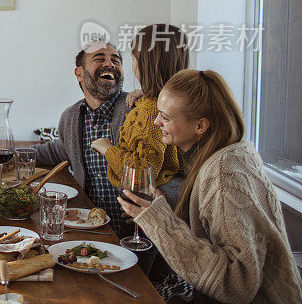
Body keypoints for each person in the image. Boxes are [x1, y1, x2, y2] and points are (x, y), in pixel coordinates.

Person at [118, 69, 302, 303]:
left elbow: (236, 284)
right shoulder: (230, 153)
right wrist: (161, 210)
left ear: (200, 126)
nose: (156, 122)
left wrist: (158, 222)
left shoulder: (223, 174)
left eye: (165, 117)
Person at [35, 41, 131, 235]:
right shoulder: (71, 117)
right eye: (99, 59)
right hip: (88, 228)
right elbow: (59, 151)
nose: (110, 64)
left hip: (133, 233)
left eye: (116, 60)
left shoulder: (136, 111)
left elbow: (169, 169)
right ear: (79, 73)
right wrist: (8, 153)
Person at [91, 24, 186, 206]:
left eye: (134, 59)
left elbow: (141, 174)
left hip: (148, 207)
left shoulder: (151, 109)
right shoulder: (163, 102)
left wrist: (107, 148)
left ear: (146, 64)